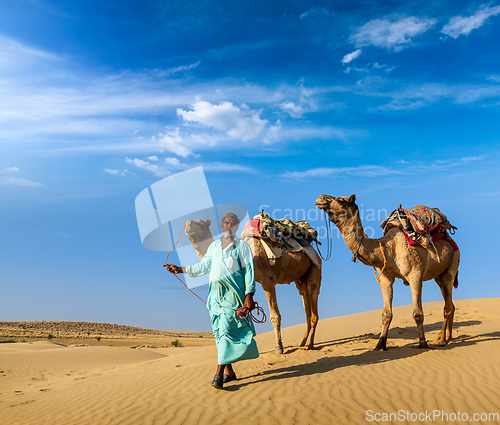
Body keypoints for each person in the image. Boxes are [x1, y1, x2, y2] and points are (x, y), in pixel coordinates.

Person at [166, 212, 259, 389]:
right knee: (219, 333)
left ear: (237, 226)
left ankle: (218, 375)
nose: (228, 226)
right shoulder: (215, 246)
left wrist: (249, 296)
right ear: (221, 225)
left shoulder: (242, 248)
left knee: (224, 330)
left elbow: (249, 272)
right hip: (215, 297)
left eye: (232, 223)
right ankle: (229, 373)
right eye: (225, 222)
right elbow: (203, 266)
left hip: (233, 296)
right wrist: (179, 269)